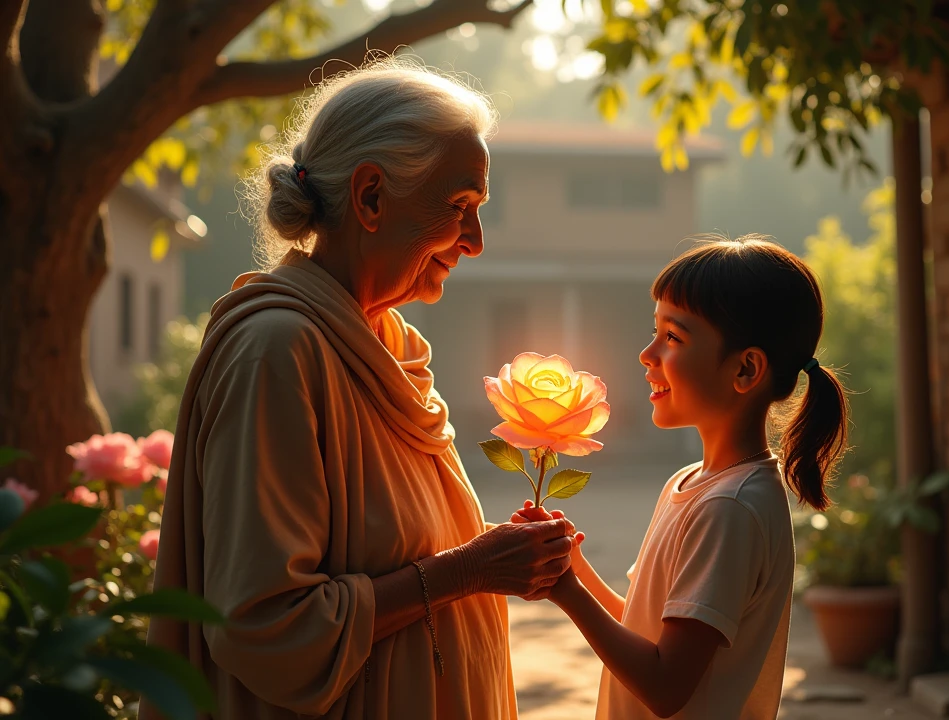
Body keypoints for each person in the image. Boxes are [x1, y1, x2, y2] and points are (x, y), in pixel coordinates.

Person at [141, 58, 578, 720]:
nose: (477, 242)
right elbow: (262, 624)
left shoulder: (391, 345)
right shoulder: (277, 351)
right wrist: (468, 572)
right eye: (460, 207)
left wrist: (500, 552)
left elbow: (383, 550)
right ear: (372, 196)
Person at [516, 235, 851, 719]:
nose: (647, 354)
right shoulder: (692, 483)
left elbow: (666, 685)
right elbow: (646, 632)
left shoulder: (730, 507)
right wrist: (573, 569)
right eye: (656, 331)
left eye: (673, 337)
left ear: (746, 368)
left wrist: (565, 592)